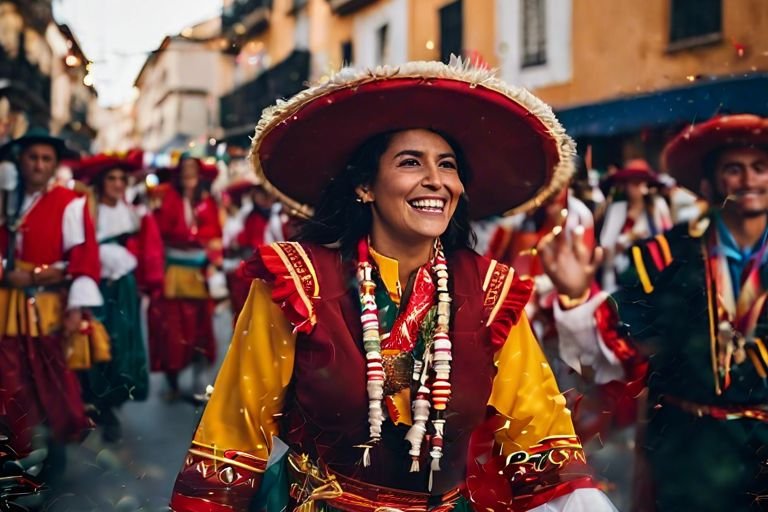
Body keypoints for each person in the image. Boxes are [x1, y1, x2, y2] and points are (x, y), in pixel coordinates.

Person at [169, 60, 616, 511]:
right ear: (365, 186)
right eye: (410, 162)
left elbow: (542, 442)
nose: (436, 181)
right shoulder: (297, 283)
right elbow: (233, 436)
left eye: (448, 165)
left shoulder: (489, 292)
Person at [549, 114, 768, 511]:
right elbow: (623, 347)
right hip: (690, 455)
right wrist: (578, 296)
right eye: (733, 169)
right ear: (711, 181)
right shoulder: (665, 256)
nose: (748, 181)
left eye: (760, 168)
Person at [0, 128, 100, 464]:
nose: (39, 165)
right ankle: (19, 443)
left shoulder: (70, 204)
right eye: (32, 157)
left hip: (48, 306)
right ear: (20, 161)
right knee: (10, 376)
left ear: (55, 164)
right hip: (6, 304)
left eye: (46, 159)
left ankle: (56, 443)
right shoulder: (5, 200)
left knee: (51, 375)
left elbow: (83, 259)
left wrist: (75, 307)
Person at [71, 149, 163, 442]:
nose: (118, 184)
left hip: (124, 287)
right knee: (96, 341)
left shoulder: (132, 213)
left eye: (122, 179)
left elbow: (144, 247)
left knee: (121, 342)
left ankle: (112, 402)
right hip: (95, 286)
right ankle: (94, 403)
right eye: (112, 179)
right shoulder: (87, 209)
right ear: (100, 182)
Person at [150, 155, 221, 401]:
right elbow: (160, 232)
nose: (189, 174)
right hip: (174, 272)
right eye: (185, 170)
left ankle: (199, 381)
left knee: (201, 328)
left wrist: (212, 258)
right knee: (173, 329)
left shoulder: (207, 200)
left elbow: (214, 234)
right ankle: (172, 381)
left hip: (200, 272)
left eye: (193, 169)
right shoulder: (167, 197)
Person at [598, 159, 673, 292]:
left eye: (641, 182)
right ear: (625, 185)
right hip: (617, 280)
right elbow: (606, 247)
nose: (638, 187)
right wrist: (629, 238)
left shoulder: (657, 206)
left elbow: (667, 240)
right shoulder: (616, 209)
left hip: (651, 278)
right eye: (633, 182)